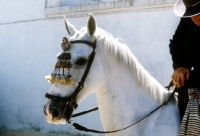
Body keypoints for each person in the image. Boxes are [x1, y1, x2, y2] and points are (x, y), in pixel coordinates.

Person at [169, 0, 200, 135]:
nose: (194, 17)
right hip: (190, 88)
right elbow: (175, 45)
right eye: (191, 13)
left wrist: (192, 74)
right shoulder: (187, 20)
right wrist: (180, 67)